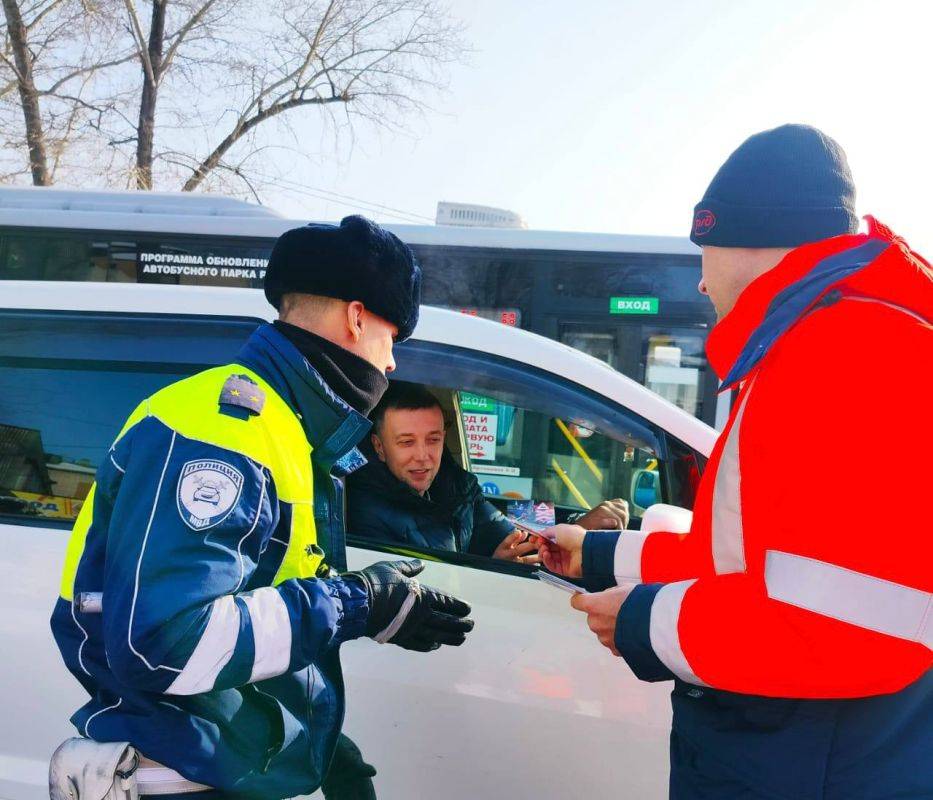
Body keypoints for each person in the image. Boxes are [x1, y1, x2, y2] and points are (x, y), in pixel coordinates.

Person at [538, 125, 932, 799]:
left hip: (813, 767)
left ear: (747, 241)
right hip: (813, 758)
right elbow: (756, 565)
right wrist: (599, 555)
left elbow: (853, 628)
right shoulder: (821, 344)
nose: (698, 277)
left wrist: (641, 620)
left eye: (703, 249)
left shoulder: (846, 354)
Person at [49, 216, 475, 800]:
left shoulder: (287, 430)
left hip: (222, 760)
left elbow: (261, 609)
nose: (393, 363)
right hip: (179, 776)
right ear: (357, 317)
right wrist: (360, 604)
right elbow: (168, 644)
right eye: (393, 338)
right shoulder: (225, 429)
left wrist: (321, 750)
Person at [347, 382, 631, 563]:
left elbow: (512, 533)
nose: (423, 456)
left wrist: (578, 524)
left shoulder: (455, 486)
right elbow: (421, 599)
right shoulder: (362, 514)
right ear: (379, 447)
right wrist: (492, 567)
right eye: (407, 442)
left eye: (433, 439)